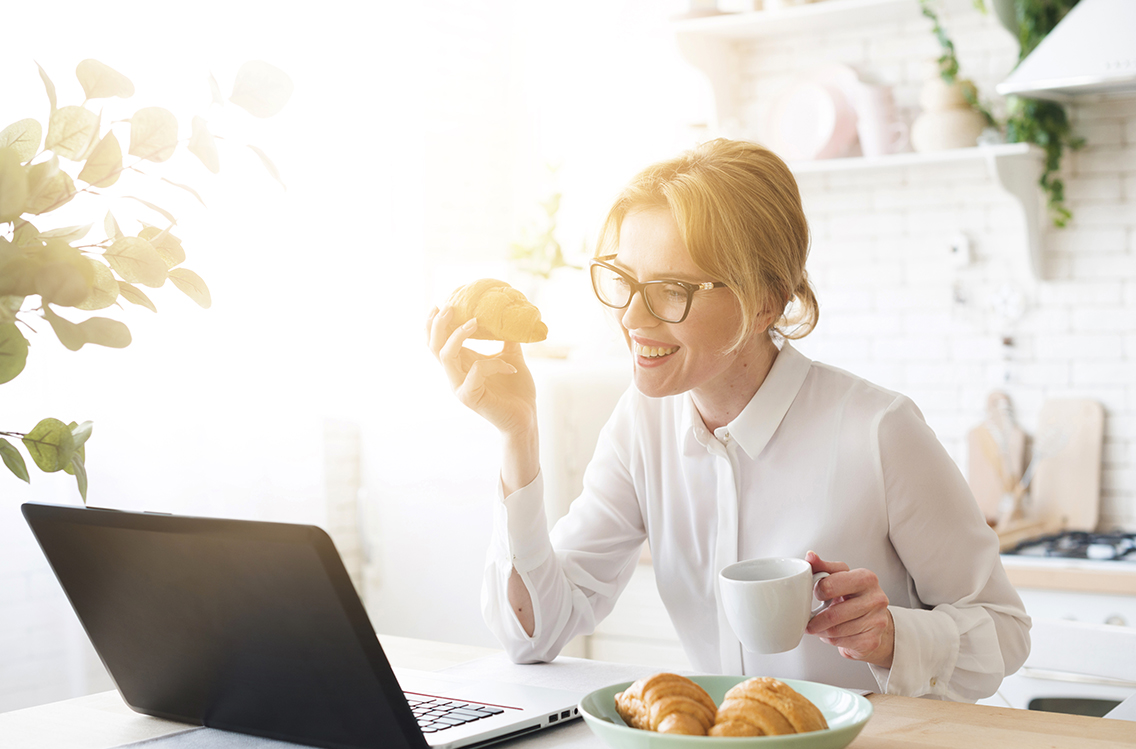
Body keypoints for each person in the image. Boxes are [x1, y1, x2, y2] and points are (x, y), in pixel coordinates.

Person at [426, 139, 1030, 701]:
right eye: (625, 281)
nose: (633, 316)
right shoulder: (644, 423)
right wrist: (518, 437)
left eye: (669, 290)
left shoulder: (880, 431)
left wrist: (894, 637)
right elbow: (535, 634)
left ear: (763, 300)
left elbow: (1005, 632)